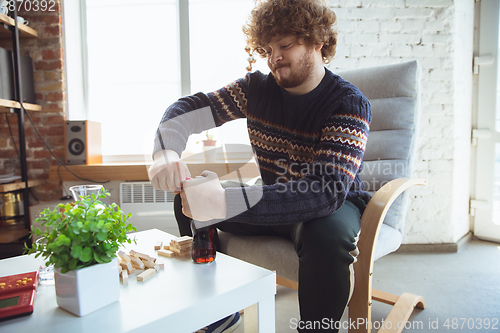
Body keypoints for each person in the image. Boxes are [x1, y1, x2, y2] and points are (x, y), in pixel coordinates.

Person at [148, 0, 372, 331]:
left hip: (331, 206)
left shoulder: (348, 104)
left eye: (284, 45)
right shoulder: (255, 90)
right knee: (189, 202)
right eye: (267, 48)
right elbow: (191, 107)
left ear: (317, 40)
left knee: (323, 236)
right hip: (273, 198)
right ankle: (218, 308)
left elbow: (324, 191)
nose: (274, 57)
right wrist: (166, 151)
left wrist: (224, 201)